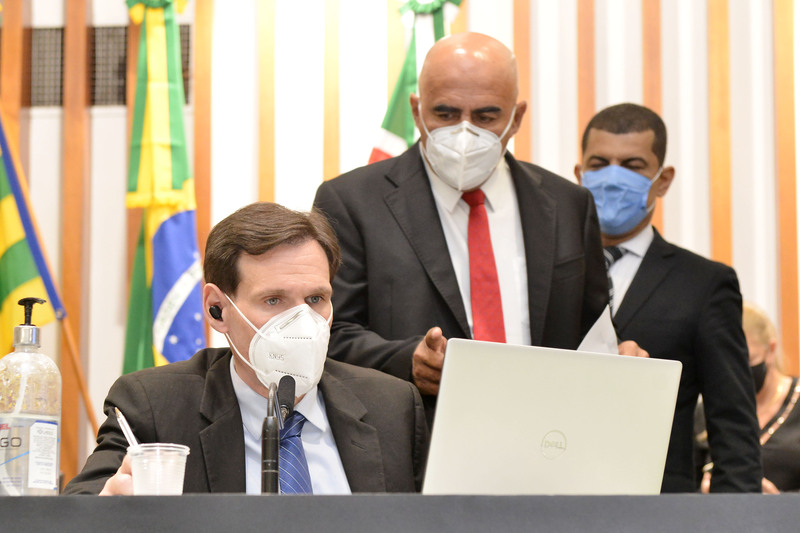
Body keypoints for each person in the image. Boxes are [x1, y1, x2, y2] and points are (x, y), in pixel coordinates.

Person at [313, 32, 616, 421]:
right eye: (445, 114)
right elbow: (326, 332)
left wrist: (621, 356)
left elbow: (594, 331)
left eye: (486, 117)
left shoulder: (569, 204)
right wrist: (406, 360)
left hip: (545, 432)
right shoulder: (351, 201)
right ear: (417, 110)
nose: (464, 132)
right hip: (417, 437)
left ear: (516, 117)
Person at [63, 202, 429, 495]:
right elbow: (78, 510)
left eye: (315, 299)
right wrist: (108, 507)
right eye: (273, 300)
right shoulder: (154, 408)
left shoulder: (392, 407)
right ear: (217, 309)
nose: (302, 322)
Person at [574, 102, 762, 493]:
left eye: (632, 166)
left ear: (663, 179)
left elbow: (732, 423)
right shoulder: (546, 270)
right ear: (580, 174)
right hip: (552, 497)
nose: (613, 177)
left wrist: (734, 516)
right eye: (600, 164)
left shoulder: (705, 283)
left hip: (660, 503)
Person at [698, 302, 800, 493]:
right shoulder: (705, 412)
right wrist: (703, 492)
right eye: (726, 363)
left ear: (770, 350)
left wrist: (782, 502)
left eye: (747, 360)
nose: (735, 373)